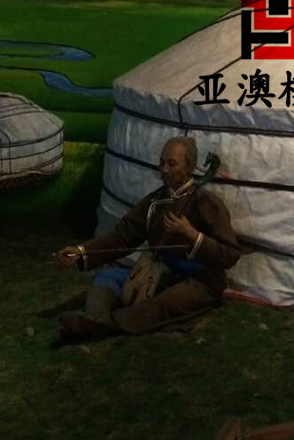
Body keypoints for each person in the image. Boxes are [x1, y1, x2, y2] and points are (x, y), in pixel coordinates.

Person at [54, 136, 239, 341]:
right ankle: (94, 318)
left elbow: (230, 254)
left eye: (172, 164)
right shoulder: (154, 203)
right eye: (162, 163)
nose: (164, 170)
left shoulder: (207, 203)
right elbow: (121, 237)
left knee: (166, 301)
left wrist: (191, 234)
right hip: (159, 272)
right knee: (106, 277)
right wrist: (81, 251)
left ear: (189, 167)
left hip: (201, 280)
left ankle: (109, 325)